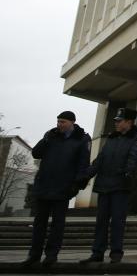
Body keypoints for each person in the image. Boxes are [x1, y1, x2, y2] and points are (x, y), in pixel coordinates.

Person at [19, 112, 91, 268]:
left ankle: (51, 256)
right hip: (44, 186)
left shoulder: (82, 139)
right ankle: (34, 255)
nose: (59, 124)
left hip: (63, 188)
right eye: (58, 121)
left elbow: (83, 163)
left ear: (72, 122)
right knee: (39, 224)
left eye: (63, 122)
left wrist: (77, 184)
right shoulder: (51, 136)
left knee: (57, 225)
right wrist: (46, 138)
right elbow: (36, 153)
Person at [79, 108, 137, 265]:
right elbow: (100, 160)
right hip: (104, 186)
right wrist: (86, 175)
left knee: (117, 222)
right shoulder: (112, 138)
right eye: (116, 120)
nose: (116, 123)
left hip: (120, 186)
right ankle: (97, 252)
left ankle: (116, 253)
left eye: (119, 120)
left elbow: (134, 157)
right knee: (101, 221)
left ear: (129, 122)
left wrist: (128, 173)